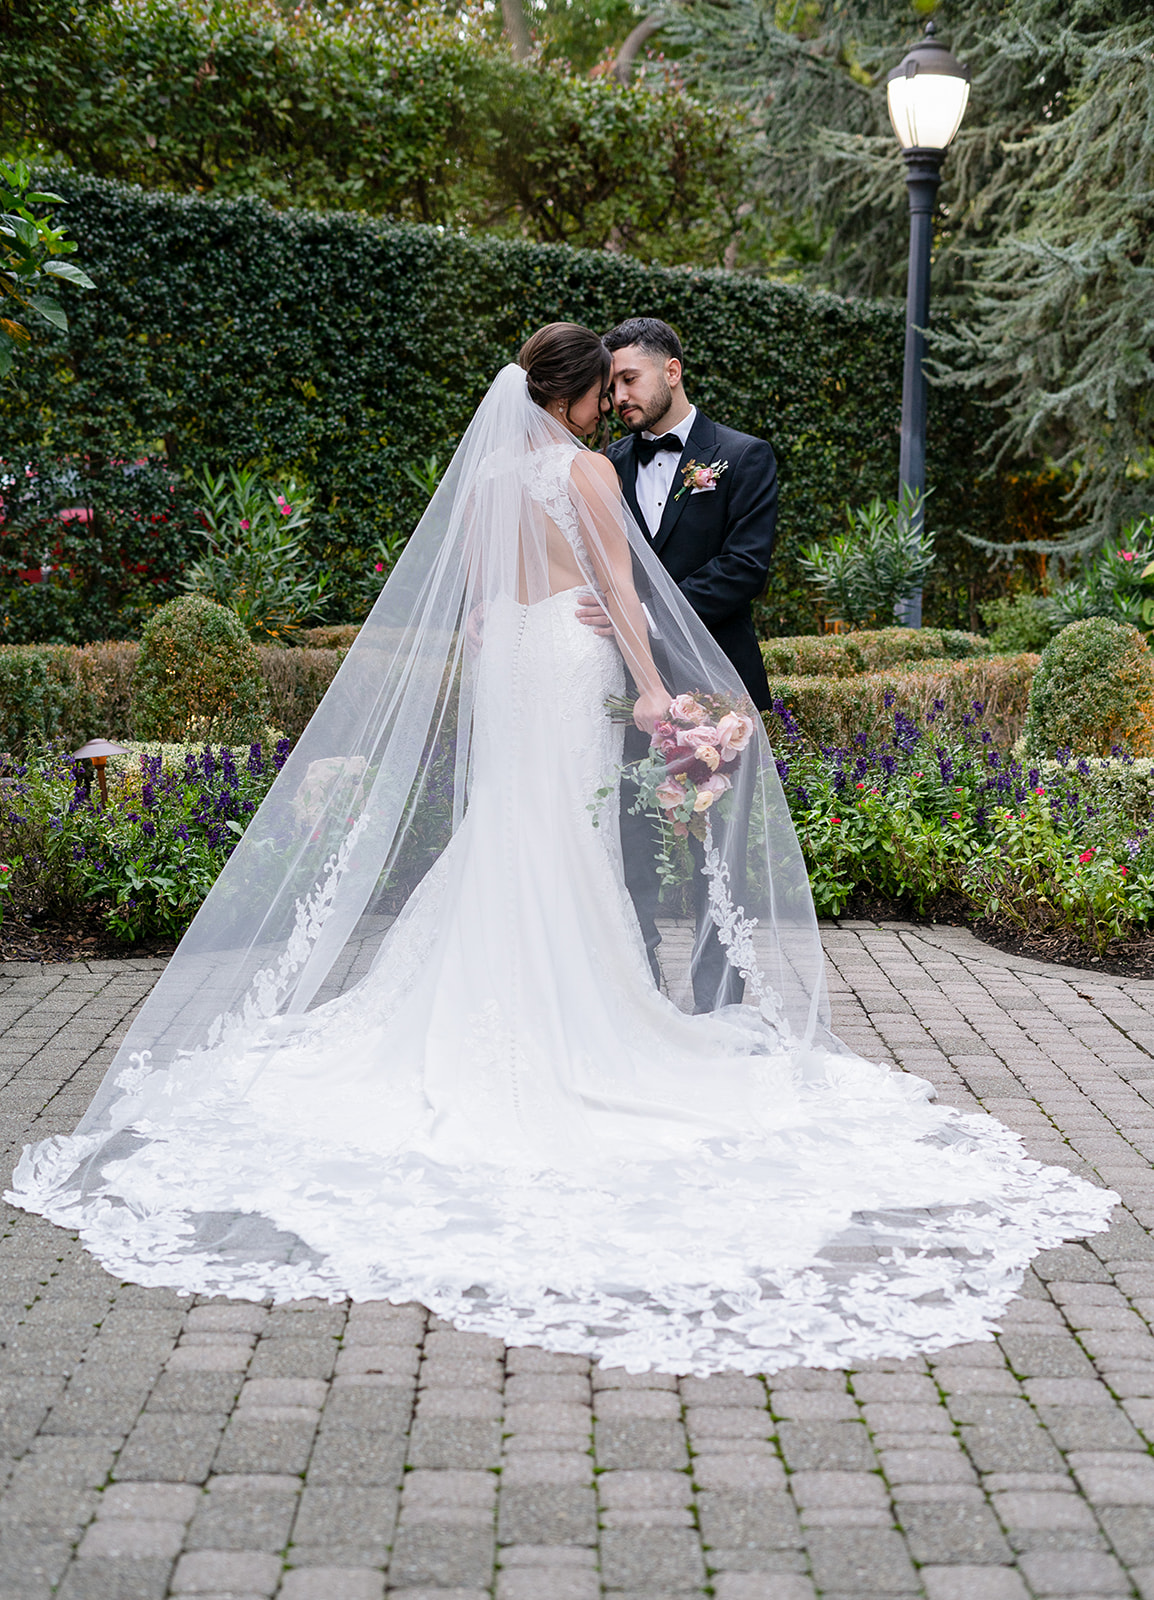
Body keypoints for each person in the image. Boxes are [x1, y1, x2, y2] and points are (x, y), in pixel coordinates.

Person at [8, 323, 1115, 1378]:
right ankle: (570, 1025)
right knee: (562, 833)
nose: (609, 410)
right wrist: (651, 691)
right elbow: (623, 596)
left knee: (512, 824)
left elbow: (482, 603)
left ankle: (481, 1003)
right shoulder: (585, 474)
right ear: (578, 395)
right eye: (602, 394)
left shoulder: (489, 481)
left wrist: (515, 631)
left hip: (510, 668)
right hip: (569, 663)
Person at [577, 318, 777, 1008]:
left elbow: (744, 568)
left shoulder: (745, 457)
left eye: (628, 379)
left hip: (717, 690)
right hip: (625, 687)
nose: (618, 398)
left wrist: (648, 612)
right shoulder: (606, 465)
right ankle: (642, 996)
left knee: (718, 856)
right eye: (609, 387)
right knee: (629, 846)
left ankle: (720, 1006)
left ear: (672, 370)